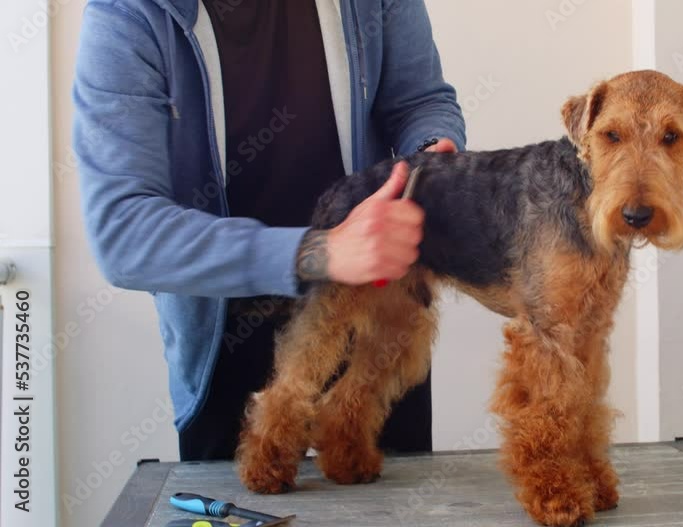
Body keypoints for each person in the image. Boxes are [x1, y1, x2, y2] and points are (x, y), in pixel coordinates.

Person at [72, 0, 466, 460]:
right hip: (226, 336)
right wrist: (319, 252)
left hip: (376, 316)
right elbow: (122, 232)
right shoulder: (129, 13)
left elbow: (421, 100)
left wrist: (429, 157)